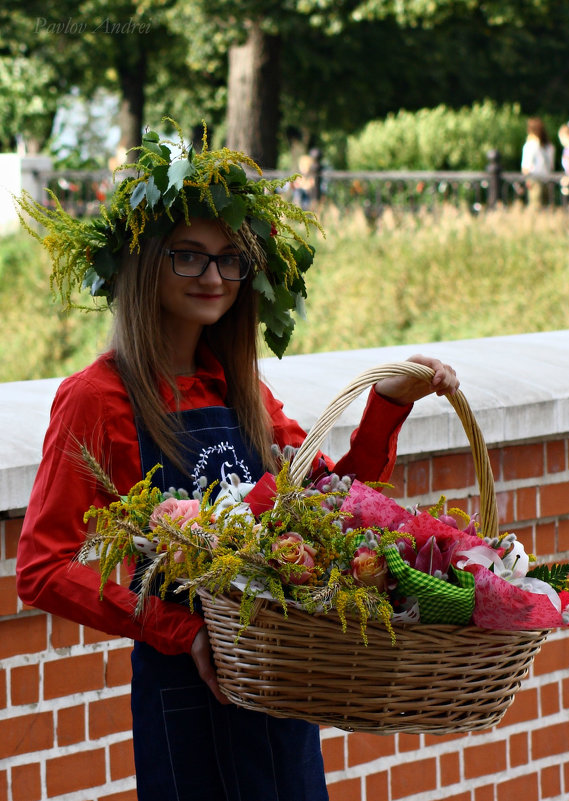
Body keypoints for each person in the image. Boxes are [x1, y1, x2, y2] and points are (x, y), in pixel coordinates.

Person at [14, 122, 459, 801]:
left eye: (230, 259)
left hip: (280, 696)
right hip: (188, 695)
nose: (214, 276)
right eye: (188, 255)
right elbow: (44, 566)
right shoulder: (97, 399)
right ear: (144, 260)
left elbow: (333, 513)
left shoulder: (244, 391)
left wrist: (388, 405)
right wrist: (180, 628)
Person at [520, 117, 555, 206]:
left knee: (535, 206)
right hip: (547, 179)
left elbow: (526, 166)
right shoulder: (549, 147)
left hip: (534, 179)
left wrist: (524, 181)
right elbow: (551, 166)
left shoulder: (530, 145)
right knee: (547, 207)